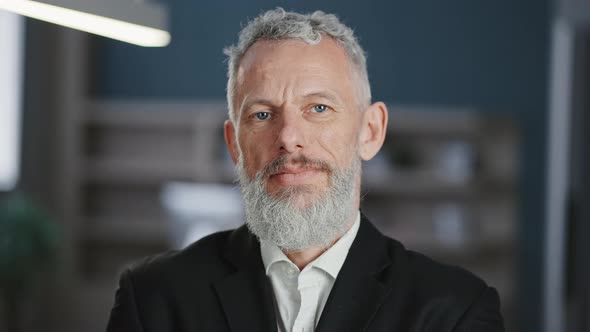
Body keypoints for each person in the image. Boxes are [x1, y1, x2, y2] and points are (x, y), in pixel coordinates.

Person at [106, 8, 504, 332]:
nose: (289, 137)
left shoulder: (455, 313)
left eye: (318, 108)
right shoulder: (154, 299)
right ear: (233, 145)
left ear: (370, 131)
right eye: (262, 114)